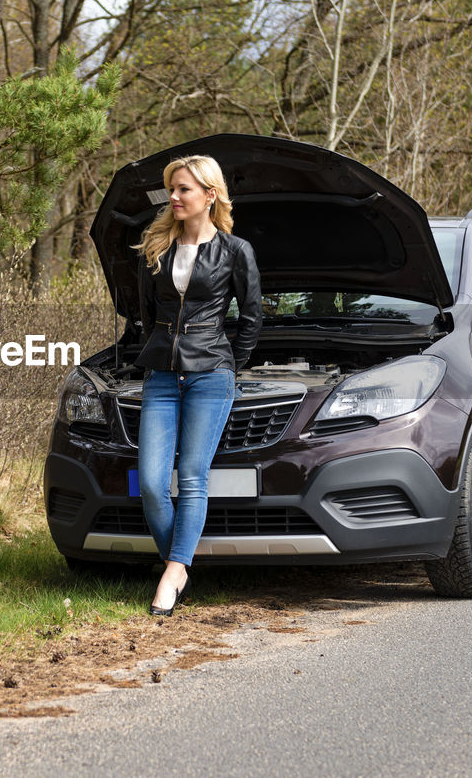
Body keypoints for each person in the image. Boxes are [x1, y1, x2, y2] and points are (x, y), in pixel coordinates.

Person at [131, 154, 262, 616]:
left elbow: (251, 317)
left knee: (191, 478)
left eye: (184, 189)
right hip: (162, 376)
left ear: (209, 195)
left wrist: (230, 364)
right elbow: (147, 316)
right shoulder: (156, 247)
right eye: (172, 189)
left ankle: (171, 574)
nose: (174, 197)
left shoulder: (234, 251)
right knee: (149, 483)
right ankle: (180, 564)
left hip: (211, 374)